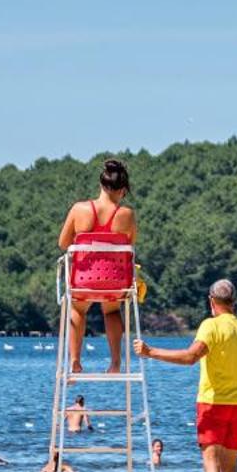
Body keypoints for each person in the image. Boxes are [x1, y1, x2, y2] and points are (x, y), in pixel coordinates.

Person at [137, 277, 237, 472]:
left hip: (212, 403)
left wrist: (151, 352)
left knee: (211, 465)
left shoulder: (210, 326)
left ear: (212, 302)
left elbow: (191, 357)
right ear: (233, 302)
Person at [57, 157, 137, 374]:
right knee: (111, 311)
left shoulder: (79, 209)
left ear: (101, 185)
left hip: (84, 282)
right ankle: (115, 363)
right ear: (123, 190)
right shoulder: (127, 215)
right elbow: (130, 243)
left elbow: (63, 243)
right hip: (115, 283)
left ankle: (75, 360)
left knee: (77, 309)